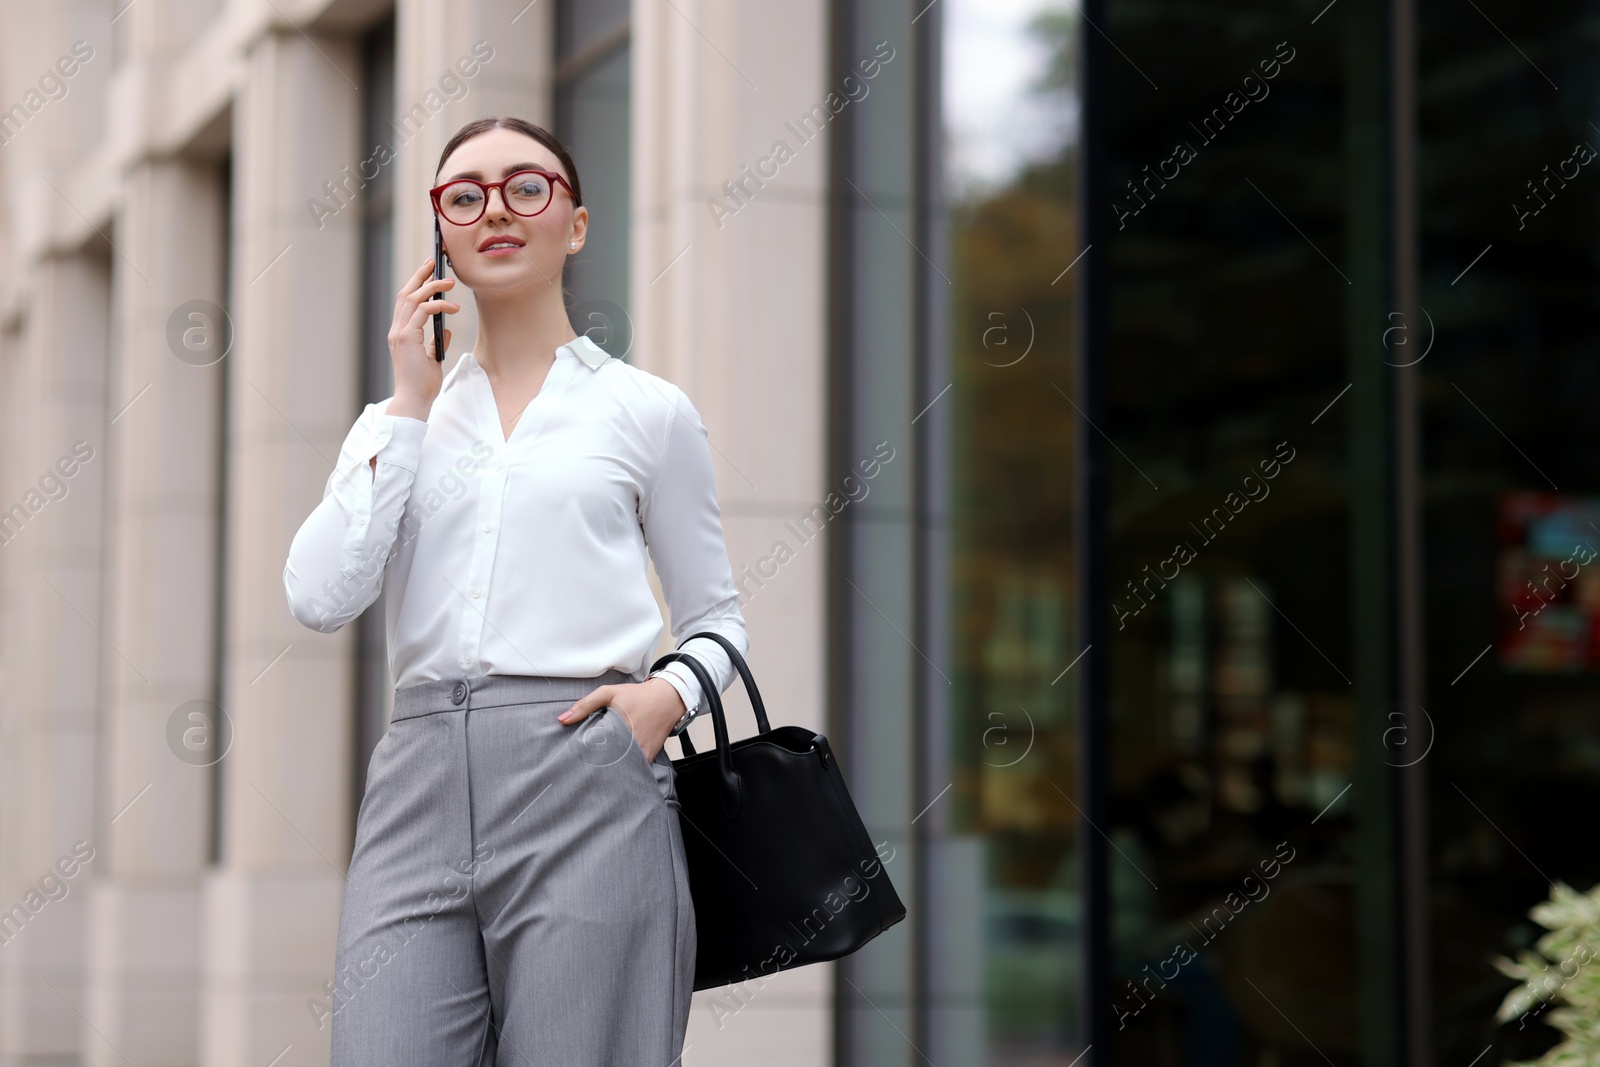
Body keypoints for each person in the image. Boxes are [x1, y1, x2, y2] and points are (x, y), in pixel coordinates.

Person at [282, 115, 747, 1066]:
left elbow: (718, 619)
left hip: (585, 767)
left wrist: (664, 699)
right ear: (441, 234)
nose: (495, 208)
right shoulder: (396, 422)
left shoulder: (644, 411)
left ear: (574, 223)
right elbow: (319, 595)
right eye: (465, 195)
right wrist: (409, 400)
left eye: (526, 186)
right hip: (414, 778)